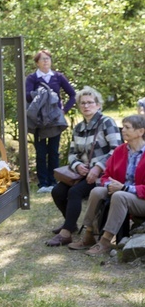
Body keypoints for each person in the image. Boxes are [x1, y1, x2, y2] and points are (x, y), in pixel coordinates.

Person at [46, 86, 120, 246]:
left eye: (90, 102)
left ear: (98, 105)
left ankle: (65, 234)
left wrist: (98, 167)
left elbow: (117, 150)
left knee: (74, 192)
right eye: (83, 103)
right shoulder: (79, 128)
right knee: (57, 191)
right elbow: (72, 154)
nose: (86, 106)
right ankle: (70, 224)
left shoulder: (107, 123)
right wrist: (78, 164)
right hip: (81, 173)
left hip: (102, 175)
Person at [68, 114, 145, 255]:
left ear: (140, 131)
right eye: (123, 127)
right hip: (121, 191)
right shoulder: (120, 150)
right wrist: (109, 184)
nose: (122, 130)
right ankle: (89, 234)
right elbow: (106, 175)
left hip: (140, 199)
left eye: (127, 128)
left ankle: (105, 241)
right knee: (97, 191)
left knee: (120, 196)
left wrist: (124, 188)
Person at [25, 49, 76, 193]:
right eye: (43, 59)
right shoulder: (32, 78)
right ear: (37, 63)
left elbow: (72, 94)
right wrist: (42, 94)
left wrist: (63, 110)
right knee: (40, 152)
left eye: (48, 58)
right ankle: (43, 183)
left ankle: (54, 182)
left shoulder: (58, 77)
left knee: (53, 151)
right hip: (39, 120)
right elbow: (27, 96)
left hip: (55, 120)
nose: (46, 61)